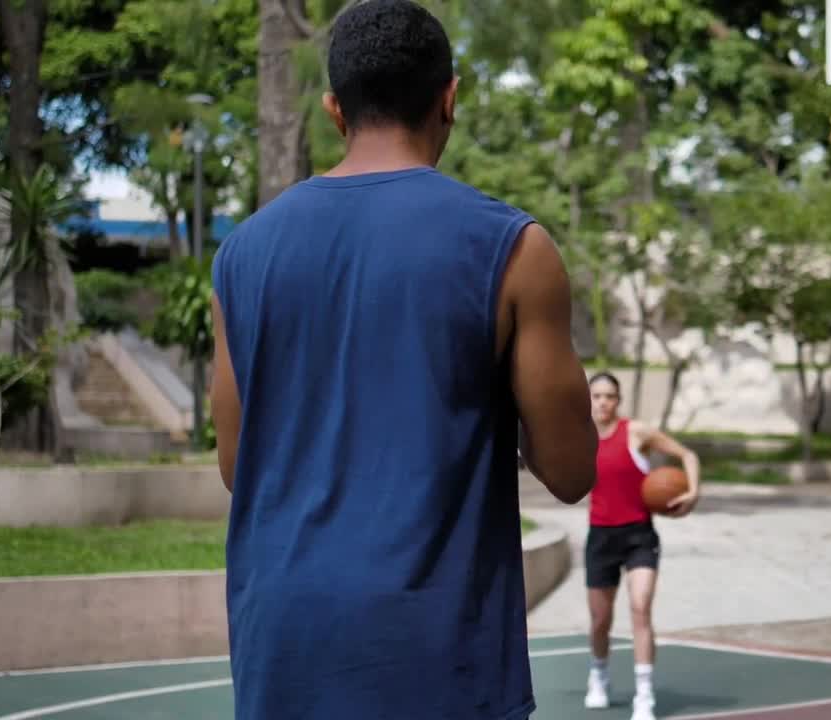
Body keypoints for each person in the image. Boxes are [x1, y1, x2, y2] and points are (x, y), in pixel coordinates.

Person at [207, 1, 598, 718]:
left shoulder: (241, 255)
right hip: (438, 655)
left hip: (283, 649)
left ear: (335, 109)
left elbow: (239, 466)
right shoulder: (515, 249)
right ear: (449, 98)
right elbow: (572, 471)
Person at [583, 371, 700, 720]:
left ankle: (644, 695)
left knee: (640, 607)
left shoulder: (636, 432)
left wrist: (693, 493)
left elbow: (688, 455)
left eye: (610, 396)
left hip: (639, 535)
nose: (603, 402)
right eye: (597, 396)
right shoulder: (581, 438)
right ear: (588, 399)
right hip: (600, 536)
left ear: (618, 400)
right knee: (600, 620)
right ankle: (599, 675)